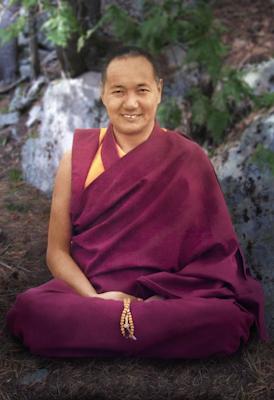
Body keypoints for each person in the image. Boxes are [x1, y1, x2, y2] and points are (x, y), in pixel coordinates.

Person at [6, 46, 267, 358]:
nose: (131, 103)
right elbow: (57, 251)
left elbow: (215, 254)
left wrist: (164, 297)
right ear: (103, 94)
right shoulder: (77, 157)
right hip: (92, 293)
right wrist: (96, 300)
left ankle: (106, 332)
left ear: (159, 91)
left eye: (142, 90)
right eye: (118, 91)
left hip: (168, 298)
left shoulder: (188, 158)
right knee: (31, 310)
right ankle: (145, 332)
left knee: (225, 321)